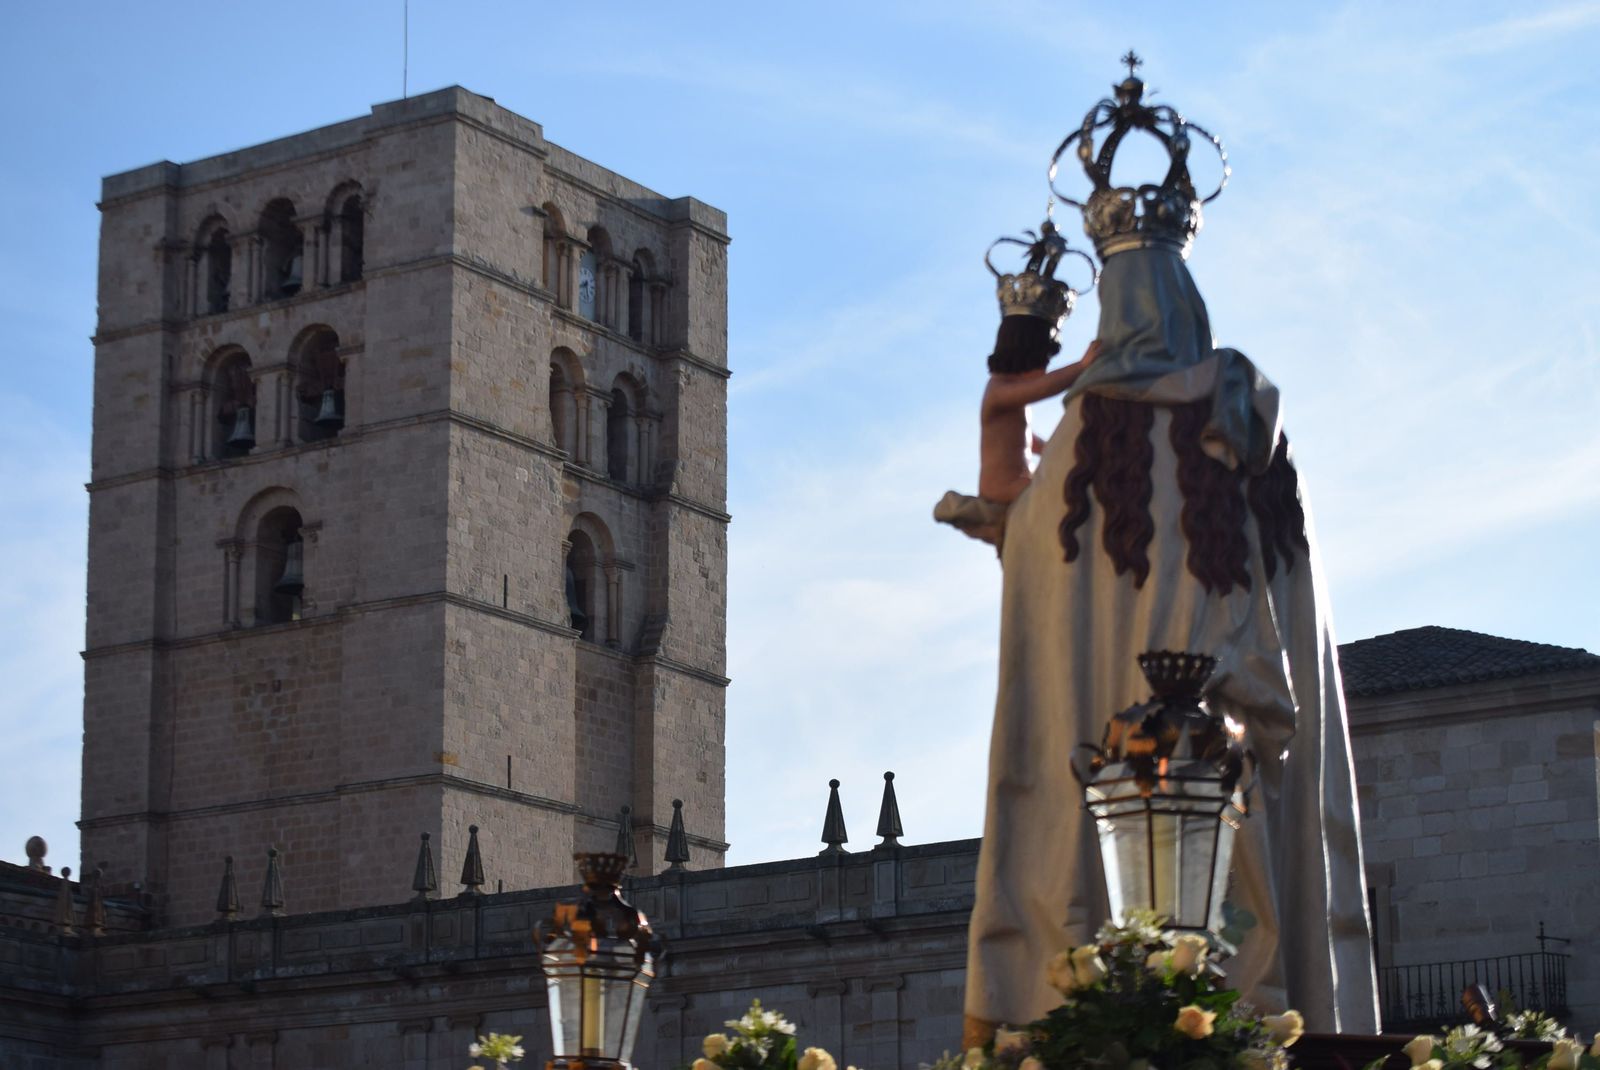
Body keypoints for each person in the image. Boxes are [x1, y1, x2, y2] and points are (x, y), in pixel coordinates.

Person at [961, 245, 1379, 1046]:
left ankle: (1079, 1009)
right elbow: (1280, 588)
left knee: (1083, 841)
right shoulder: (1246, 416)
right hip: (1226, 724)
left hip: (1113, 748)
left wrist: (1041, 398)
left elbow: (1021, 545)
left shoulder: (1088, 437)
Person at [934, 316, 1101, 548]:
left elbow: (1024, 440)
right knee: (1071, 494)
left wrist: (1051, 449)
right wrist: (1081, 367)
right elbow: (1044, 388)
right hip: (1002, 488)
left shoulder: (1011, 395)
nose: (1045, 368)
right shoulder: (998, 391)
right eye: (1043, 359)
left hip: (1021, 481)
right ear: (1025, 354)